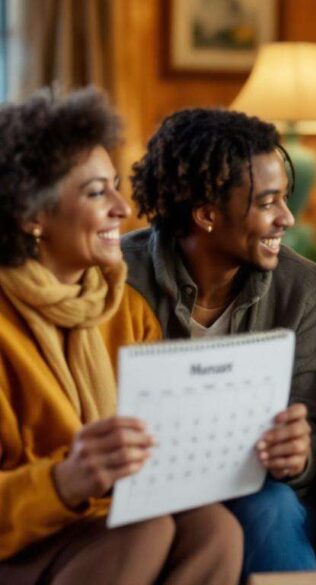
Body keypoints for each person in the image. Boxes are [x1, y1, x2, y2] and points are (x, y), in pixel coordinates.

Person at [0, 88, 242, 584]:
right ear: (31, 217)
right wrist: (63, 481)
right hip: (20, 539)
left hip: (104, 522)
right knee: (144, 529)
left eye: (116, 186)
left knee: (216, 529)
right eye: (95, 193)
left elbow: (160, 449)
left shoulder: (125, 311)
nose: (123, 207)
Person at [124, 108, 316, 579]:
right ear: (207, 215)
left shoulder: (301, 287)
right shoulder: (121, 279)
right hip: (144, 484)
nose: (287, 217)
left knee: (272, 506)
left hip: (257, 487)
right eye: (267, 203)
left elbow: (314, 429)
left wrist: (298, 452)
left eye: (285, 199)